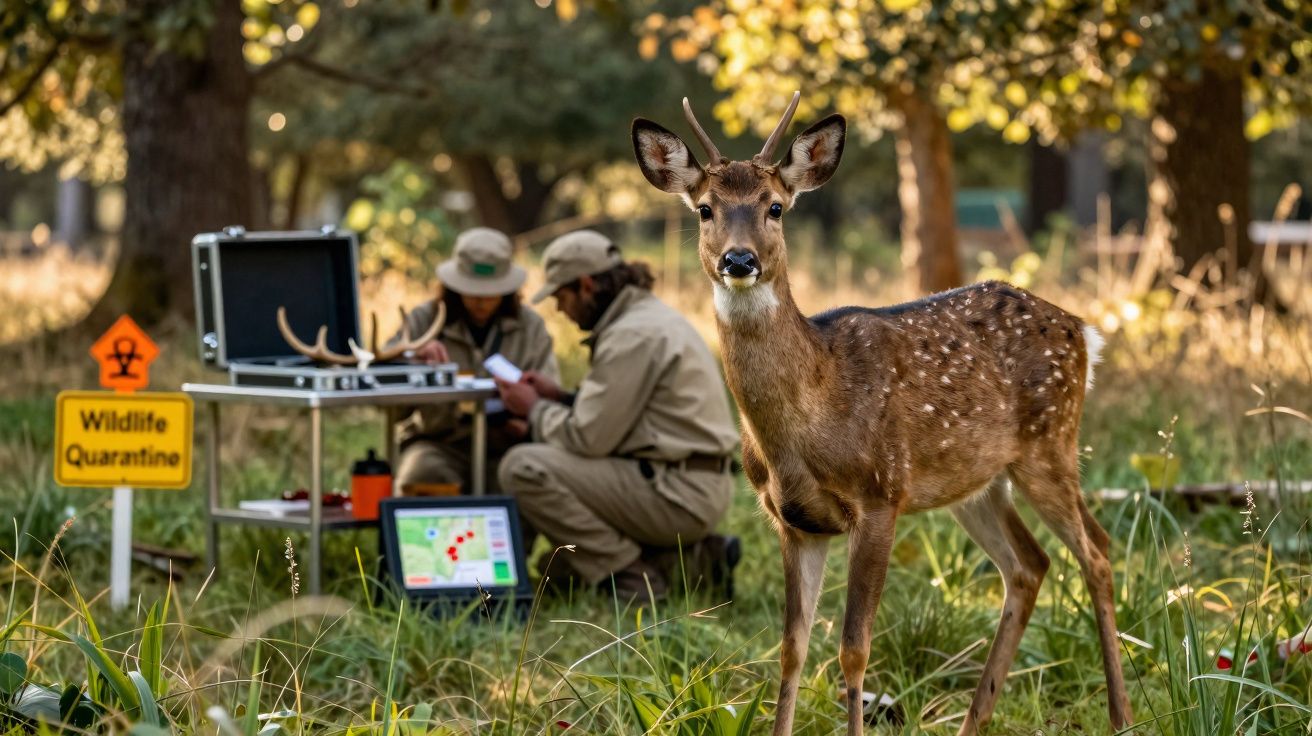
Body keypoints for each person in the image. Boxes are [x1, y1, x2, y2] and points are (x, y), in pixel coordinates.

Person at [495, 229, 740, 602]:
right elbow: (628, 415)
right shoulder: (646, 318)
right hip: (691, 482)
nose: (560, 310)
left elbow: (588, 439)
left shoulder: (631, 335)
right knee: (558, 570)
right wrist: (560, 397)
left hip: (677, 492)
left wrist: (534, 409)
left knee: (522, 467)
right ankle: (693, 561)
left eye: (561, 297)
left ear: (587, 285)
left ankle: (630, 576)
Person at [392, 227, 558, 493]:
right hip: (439, 441)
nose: (480, 300)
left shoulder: (531, 328)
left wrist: (527, 421)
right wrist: (411, 358)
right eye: (471, 290)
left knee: (524, 482)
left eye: (490, 291)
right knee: (423, 475)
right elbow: (386, 399)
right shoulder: (423, 321)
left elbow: (549, 393)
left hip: (507, 445)